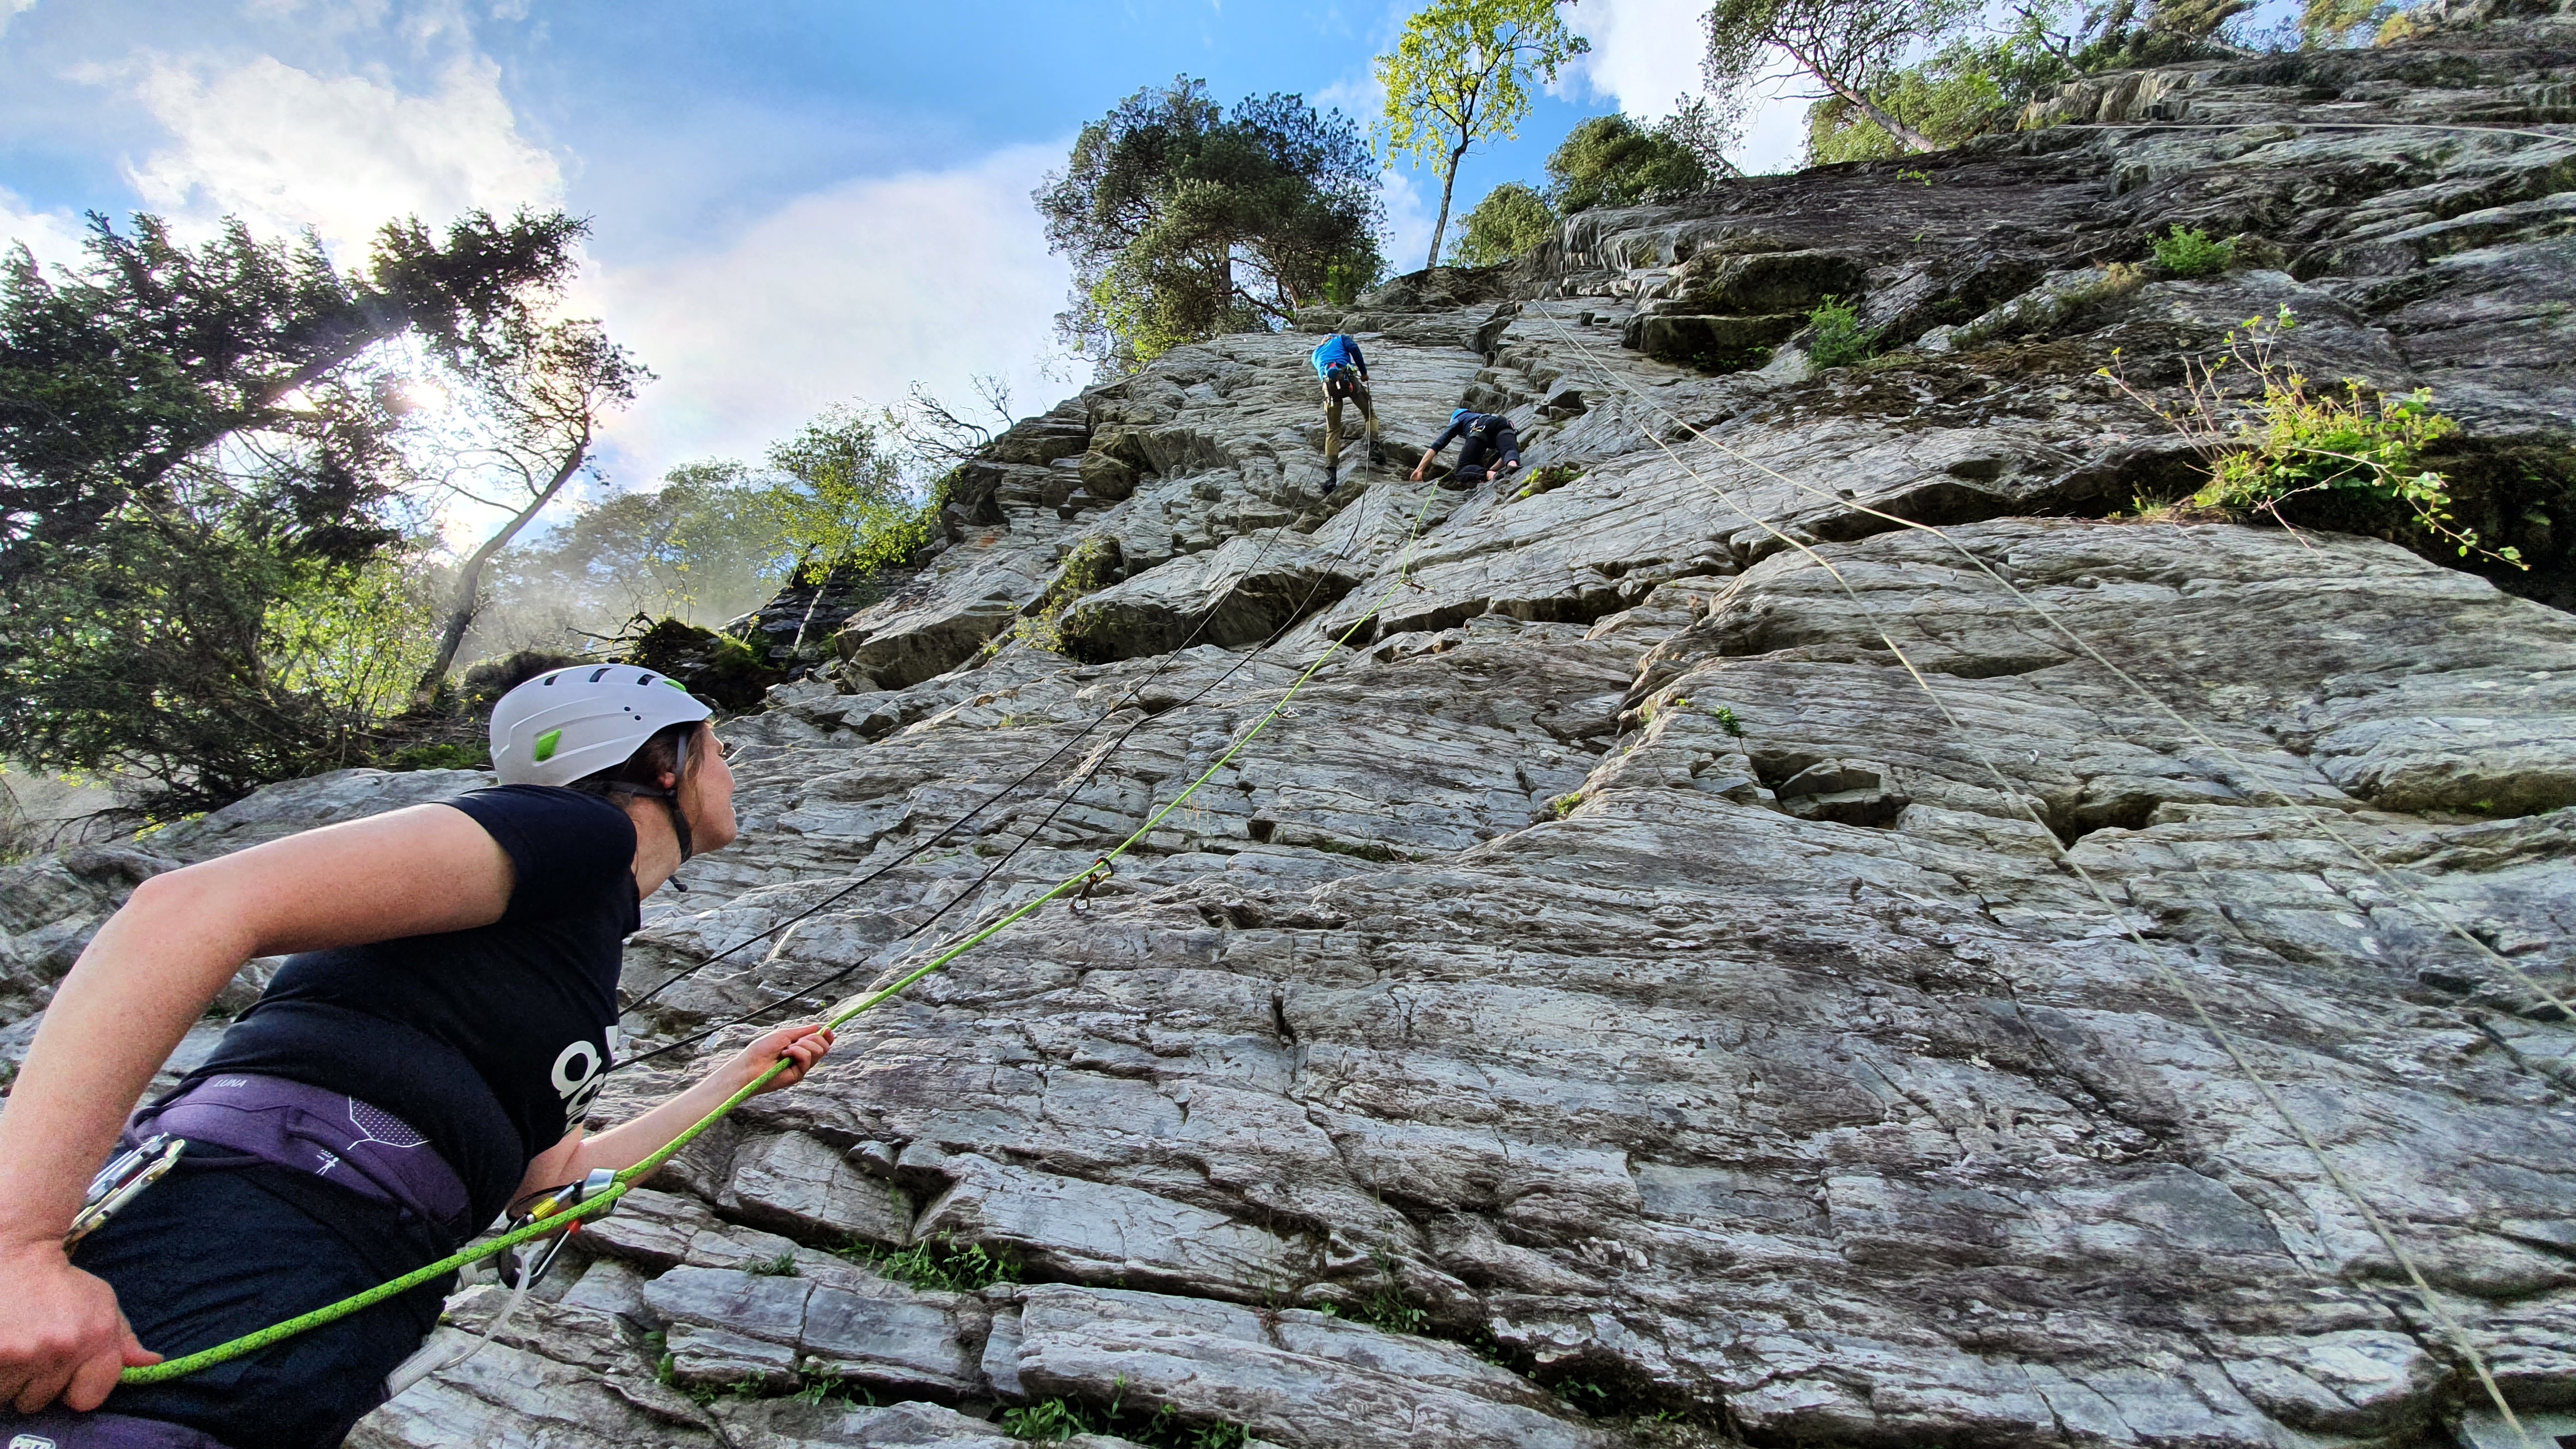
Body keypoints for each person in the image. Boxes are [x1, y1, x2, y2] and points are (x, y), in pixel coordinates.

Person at [0, 666, 839, 1447]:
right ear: (664, 762)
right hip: (260, 1213)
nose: (732, 769)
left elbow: (541, 1181)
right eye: (718, 747)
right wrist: (18, 1245)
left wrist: (734, 1078)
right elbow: (186, 906)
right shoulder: (575, 832)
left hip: (350, 1272)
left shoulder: (571, 943)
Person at [1310, 332, 1384, 494]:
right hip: (1348, 378)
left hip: (1329, 387)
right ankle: (1374, 448)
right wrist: (1363, 373)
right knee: (1369, 414)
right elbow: (1354, 349)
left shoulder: (1315, 353)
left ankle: (1331, 475)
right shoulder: (1341, 339)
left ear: (1323, 341)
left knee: (1333, 430)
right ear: (1333, 338)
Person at [1411, 409, 1522, 490]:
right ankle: (1512, 465)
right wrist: (1493, 469)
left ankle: (1490, 476)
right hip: (1504, 424)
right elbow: (1504, 453)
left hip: (1480, 429)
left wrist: (1419, 470)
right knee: (1508, 450)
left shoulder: (1459, 419)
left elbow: (1438, 444)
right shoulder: (1481, 415)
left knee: (1461, 470)